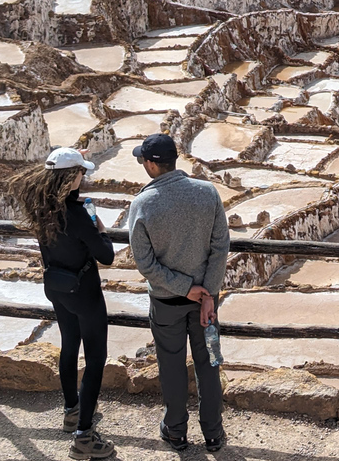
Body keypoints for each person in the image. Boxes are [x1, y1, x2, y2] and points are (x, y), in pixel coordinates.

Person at [10, 148, 115, 460]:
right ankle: (84, 437)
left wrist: (72, 159)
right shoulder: (81, 214)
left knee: (70, 346)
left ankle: (71, 411)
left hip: (57, 289)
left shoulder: (41, 206)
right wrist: (99, 224)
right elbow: (106, 255)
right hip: (85, 293)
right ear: (71, 177)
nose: (84, 175)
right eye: (81, 171)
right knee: (96, 358)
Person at [127, 134, 229, 452]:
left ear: (152, 164)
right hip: (206, 305)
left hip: (166, 302)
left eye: (143, 160)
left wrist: (185, 288)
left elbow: (145, 264)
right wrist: (205, 293)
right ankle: (213, 433)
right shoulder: (207, 192)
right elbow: (220, 246)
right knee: (209, 362)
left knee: (171, 366)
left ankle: (176, 431)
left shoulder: (143, 204)